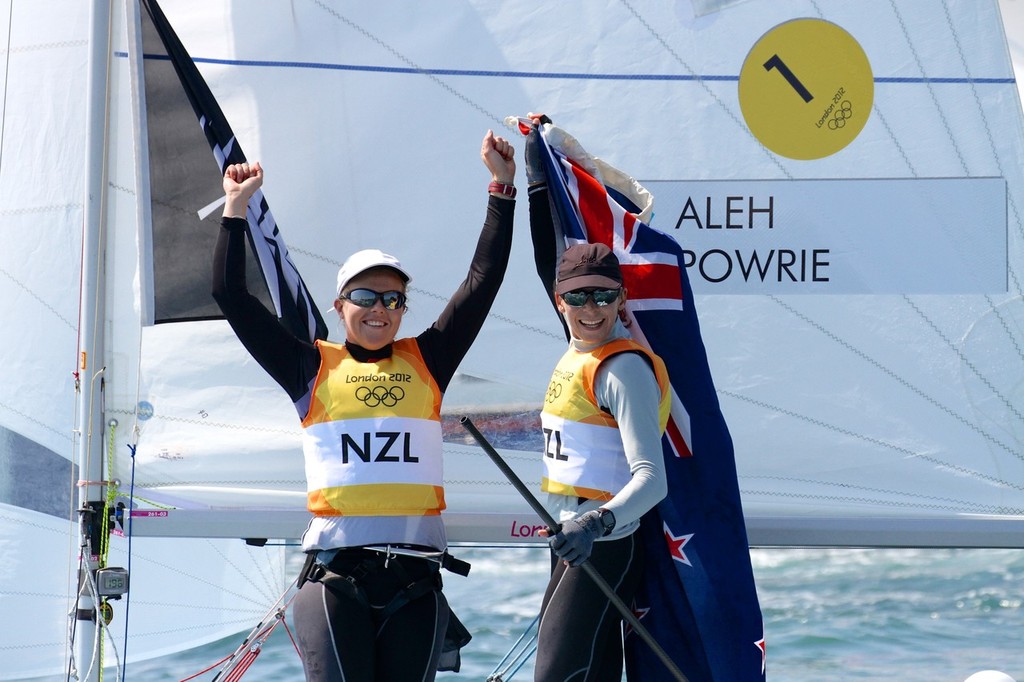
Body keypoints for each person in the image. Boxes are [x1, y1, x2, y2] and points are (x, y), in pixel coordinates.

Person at [212, 129, 517, 681]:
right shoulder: (309, 366)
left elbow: (482, 281)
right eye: (365, 297)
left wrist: (502, 188)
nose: (379, 308)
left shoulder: (428, 358)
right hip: (334, 582)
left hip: (415, 582)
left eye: (392, 299)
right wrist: (235, 210)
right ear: (340, 303)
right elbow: (232, 298)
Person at [524, 116, 671, 681]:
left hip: (604, 543)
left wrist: (596, 526)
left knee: (556, 676)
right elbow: (546, 260)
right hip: (572, 539)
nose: (591, 309)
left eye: (604, 297)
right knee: (594, 675)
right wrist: (535, 180)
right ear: (561, 302)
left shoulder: (622, 367)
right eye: (578, 297)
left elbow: (651, 479)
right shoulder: (576, 346)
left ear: (620, 297)